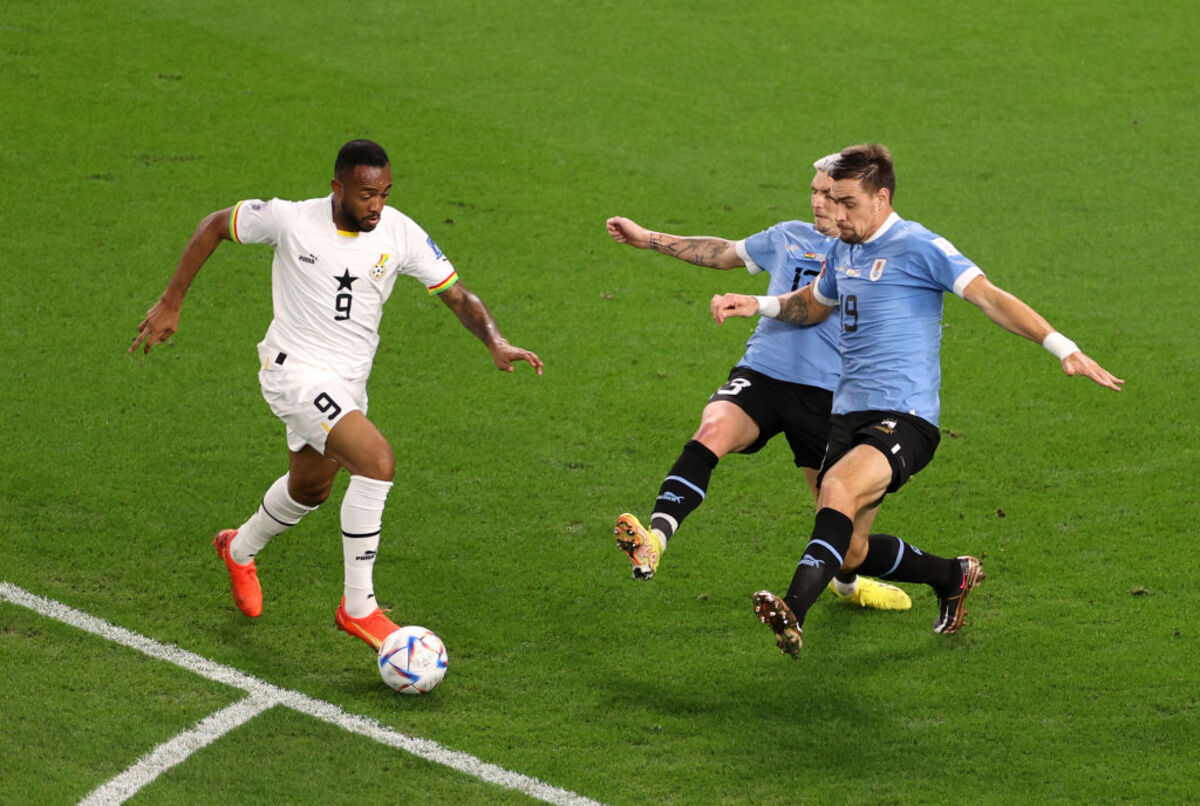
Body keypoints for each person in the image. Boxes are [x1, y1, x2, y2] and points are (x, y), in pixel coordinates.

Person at [130, 139, 543, 651]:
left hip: (348, 384)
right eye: (368, 194)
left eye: (386, 193)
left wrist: (495, 340)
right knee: (377, 461)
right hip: (295, 373)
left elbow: (456, 294)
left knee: (310, 490)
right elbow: (216, 224)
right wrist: (171, 302)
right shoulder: (291, 220)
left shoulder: (400, 231)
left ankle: (238, 549)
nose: (377, 205)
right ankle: (359, 608)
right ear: (338, 188)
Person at [711, 143, 1123, 656]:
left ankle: (793, 610)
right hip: (848, 414)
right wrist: (760, 303)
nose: (836, 215)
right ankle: (952, 575)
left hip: (904, 417)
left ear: (881, 198)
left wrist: (1062, 347)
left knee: (836, 486)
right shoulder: (843, 249)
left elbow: (990, 297)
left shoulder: (920, 246)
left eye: (848, 204)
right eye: (832, 201)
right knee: (851, 552)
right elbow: (814, 304)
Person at [604, 154, 910, 611]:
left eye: (829, 194)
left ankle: (853, 583)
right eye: (814, 191)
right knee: (712, 430)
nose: (819, 202)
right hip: (762, 377)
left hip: (828, 399)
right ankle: (655, 540)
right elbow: (723, 252)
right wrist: (646, 238)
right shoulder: (787, 236)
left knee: (846, 536)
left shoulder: (868, 256)